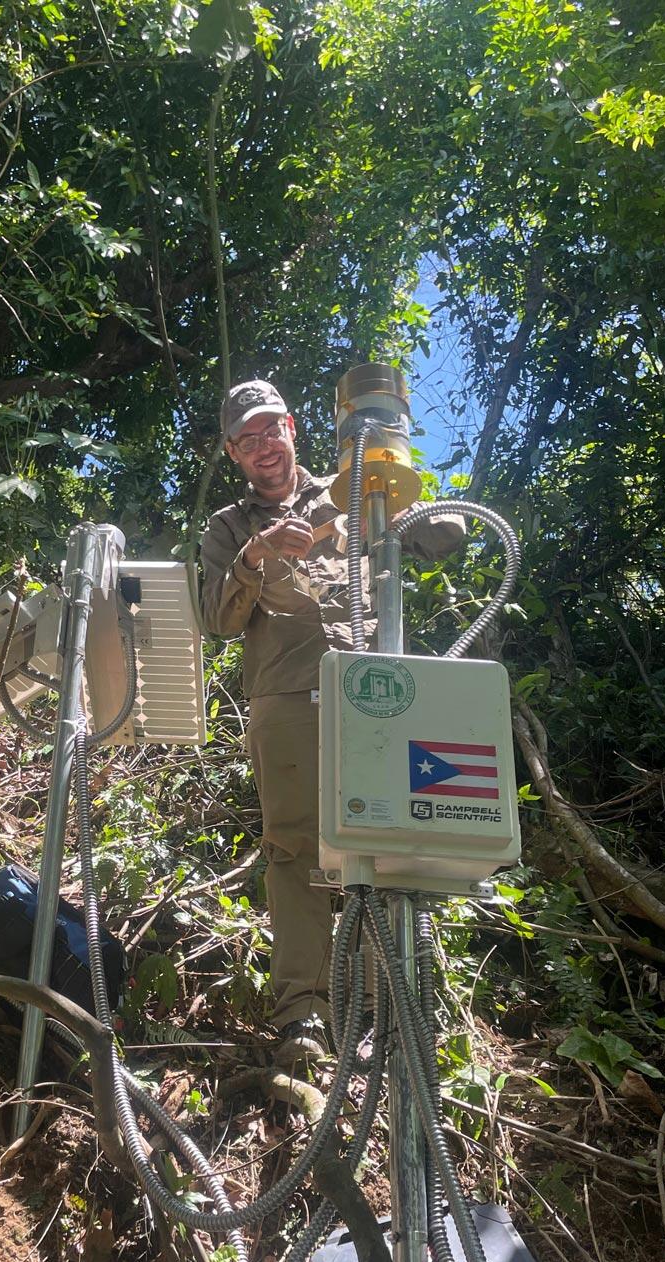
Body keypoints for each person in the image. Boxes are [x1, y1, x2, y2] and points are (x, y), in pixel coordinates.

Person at [200, 379, 465, 1044]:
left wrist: (421, 514)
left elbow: (439, 536)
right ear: (234, 451)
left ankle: (385, 1007)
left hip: (372, 690)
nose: (264, 446)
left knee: (385, 844)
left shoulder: (354, 487)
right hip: (284, 698)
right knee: (293, 849)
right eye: (248, 438)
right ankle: (303, 1013)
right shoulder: (229, 526)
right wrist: (255, 556)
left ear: (292, 427)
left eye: (271, 429)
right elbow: (218, 621)